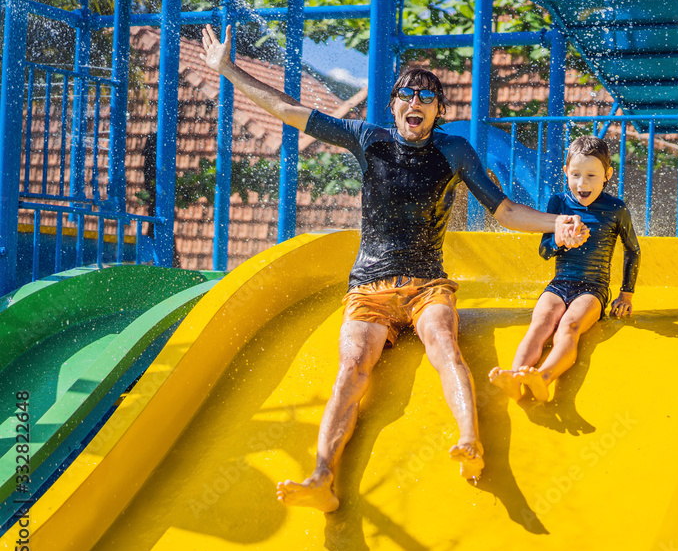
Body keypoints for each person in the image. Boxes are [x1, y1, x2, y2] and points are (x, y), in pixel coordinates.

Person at [199, 25, 589, 512]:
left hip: (427, 286)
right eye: (407, 94)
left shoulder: (454, 151)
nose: (416, 102)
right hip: (369, 287)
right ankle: (322, 476)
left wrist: (558, 221)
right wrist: (227, 69)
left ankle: (470, 440)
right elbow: (287, 109)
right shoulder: (369, 138)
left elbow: (505, 211)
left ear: (438, 111)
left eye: (428, 97)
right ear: (393, 104)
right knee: (352, 368)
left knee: (444, 343)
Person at [489, 136, 640, 403]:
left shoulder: (616, 209)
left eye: (592, 175)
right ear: (565, 173)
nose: (582, 183)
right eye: (576, 174)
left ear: (607, 175)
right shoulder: (558, 203)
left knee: (568, 327)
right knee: (539, 324)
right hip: (559, 284)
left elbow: (633, 250)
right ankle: (514, 377)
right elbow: (545, 251)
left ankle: (545, 377)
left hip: (593, 290)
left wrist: (626, 294)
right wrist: (559, 238)